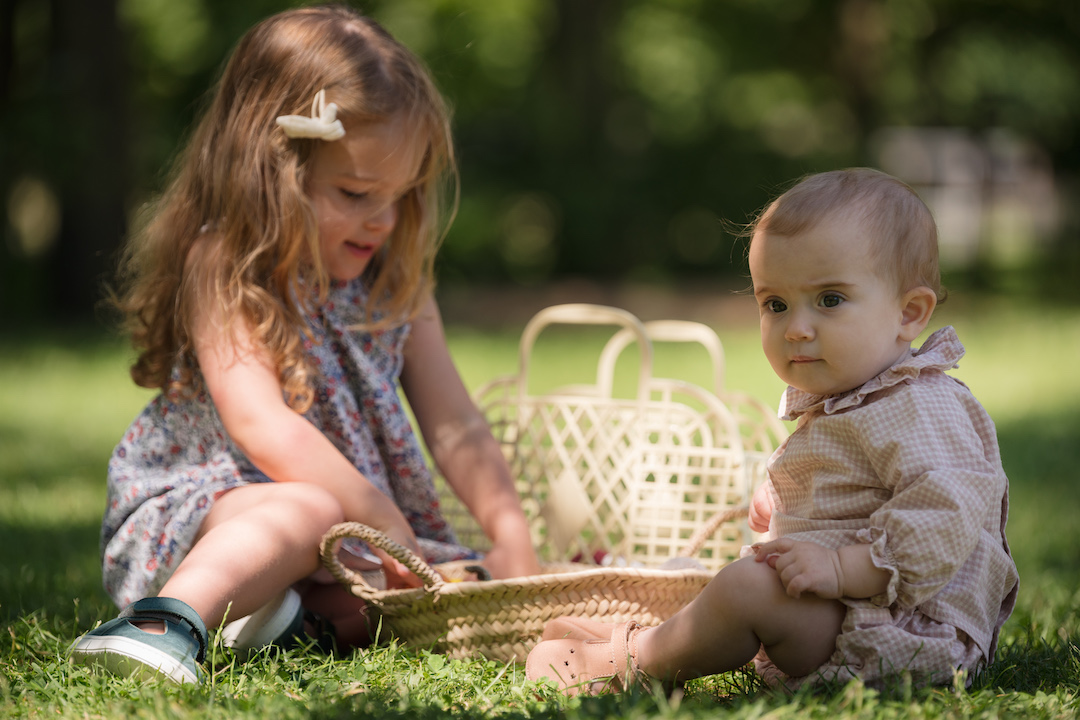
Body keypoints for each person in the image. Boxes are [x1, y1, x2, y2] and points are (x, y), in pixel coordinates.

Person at [70, 5, 540, 685]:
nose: (382, 219)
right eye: (354, 192)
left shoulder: (395, 282)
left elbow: (457, 424)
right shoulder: (225, 263)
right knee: (311, 508)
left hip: (341, 535)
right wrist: (382, 520)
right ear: (274, 171)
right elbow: (261, 425)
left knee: (421, 582)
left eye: (401, 196)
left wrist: (511, 533)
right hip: (210, 512)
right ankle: (164, 620)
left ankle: (280, 622)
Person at [525, 168, 1018, 694]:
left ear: (909, 313)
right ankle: (662, 636)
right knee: (730, 582)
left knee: (745, 590)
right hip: (845, 612)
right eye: (775, 304)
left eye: (829, 299)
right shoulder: (854, 398)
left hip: (905, 631)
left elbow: (942, 516)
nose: (796, 327)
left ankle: (636, 659)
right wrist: (785, 502)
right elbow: (849, 483)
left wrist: (841, 567)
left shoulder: (922, 403)